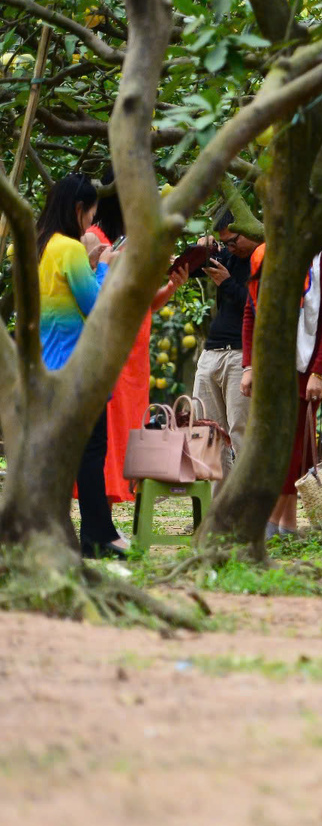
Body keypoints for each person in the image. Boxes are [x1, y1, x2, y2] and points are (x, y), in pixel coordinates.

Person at [86, 188, 189, 504]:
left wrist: (171, 284)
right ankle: (106, 485)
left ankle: (127, 484)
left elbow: (147, 302)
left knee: (131, 417)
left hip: (138, 348)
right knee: (109, 419)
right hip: (112, 342)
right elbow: (91, 293)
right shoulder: (94, 237)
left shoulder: (134, 237)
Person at [37, 176, 116, 557]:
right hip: (78, 367)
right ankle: (97, 536)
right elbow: (96, 306)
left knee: (57, 453)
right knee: (90, 453)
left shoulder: (35, 246)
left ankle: (66, 531)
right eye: (89, 216)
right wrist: (100, 265)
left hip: (45, 365)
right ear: (77, 210)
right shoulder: (68, 249)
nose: (89, 225)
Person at [240, 243, 322, 537]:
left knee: (294, 448)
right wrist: (248, 366)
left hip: (304, 370)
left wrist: (318, 370)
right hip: (270, 368)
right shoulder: (263, 255)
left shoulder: (318, 259)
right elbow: (250, 313)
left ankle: (272, 521)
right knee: (275, 447)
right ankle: (286, 523)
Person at [191, 209, 260, 471]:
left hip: (241, 355)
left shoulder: (264, 258)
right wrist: (199, 247)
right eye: (225, 242)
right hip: (211, 353)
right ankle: (220, 508)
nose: (231, 247)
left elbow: (260, 307)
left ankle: (250, 504)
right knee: (207, 433)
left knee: (241, 432)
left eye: (235, 240)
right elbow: (188, 264)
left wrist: (227, 284)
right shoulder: (229, 255)